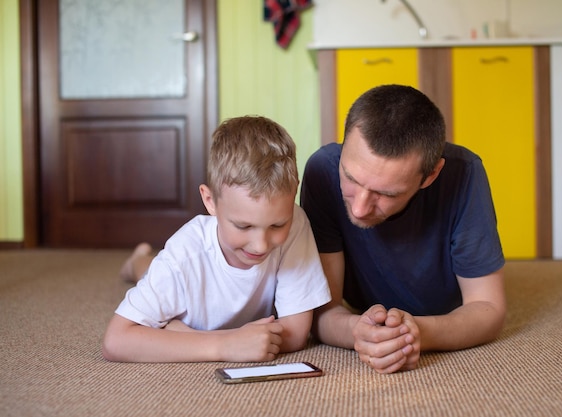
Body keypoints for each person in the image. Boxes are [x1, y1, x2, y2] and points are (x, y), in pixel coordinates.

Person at [300, 84, 506, 374]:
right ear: (344, 143)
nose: (359, 209)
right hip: (363, 311)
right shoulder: (322, 169)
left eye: (387, 194)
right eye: (350, 178)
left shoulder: (465, 174)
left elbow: (488, 308)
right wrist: (357, 331)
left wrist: (415, 333)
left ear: (430, 175)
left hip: (442, 310)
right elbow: (323, 309)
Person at [102, 116, 331, 363]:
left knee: (162, 283)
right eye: (243, 226)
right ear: (210, 201)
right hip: (181, 269)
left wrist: (190, 336)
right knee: (152, 272)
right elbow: (116, 341)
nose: (261, 245)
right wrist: (225, 345)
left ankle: (142, 258)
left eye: (277, 225)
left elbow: (296, 333)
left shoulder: (295, 222)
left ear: (293, 192)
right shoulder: (184, 254)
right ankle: (137, 260)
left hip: (190, 294)